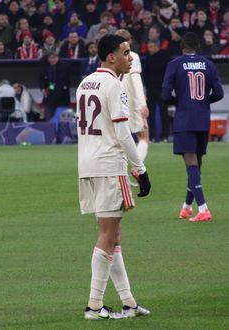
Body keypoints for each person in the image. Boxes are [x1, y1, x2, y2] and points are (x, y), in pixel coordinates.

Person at [76, 34, 151, 320]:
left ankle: (128, 302)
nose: (130, 57)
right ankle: (94, 305)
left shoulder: (85, 83)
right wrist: (140, 169)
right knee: (108, 235)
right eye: (126, 52)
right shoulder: (116, 85)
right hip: (109, 166)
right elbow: (122, 133)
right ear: (111, 57)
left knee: (113, 234)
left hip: (87, 165)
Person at [161, 32, 224, 222]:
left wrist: (178, 101)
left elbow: (165, 95)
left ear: (182, 46)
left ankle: (203, 208)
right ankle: (187, 207)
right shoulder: (209, 64)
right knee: (197, 163)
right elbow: (219, 93)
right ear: (199, 47)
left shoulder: (175, 64)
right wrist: (204, 101)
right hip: (203, 119)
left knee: (191, 163)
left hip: (184, 119)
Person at [115, 29, 149, 178]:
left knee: (119, 139)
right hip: (130, 101)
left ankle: (118, 173)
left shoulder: (112, 57)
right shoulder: (132, 56)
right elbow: (135, 80)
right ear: (128, 41)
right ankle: (137, 168)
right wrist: (142, 103)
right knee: (144, 137)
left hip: (115, 99)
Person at [143, 39, 170, 142]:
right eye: (148, 47)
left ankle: (165, 136)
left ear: (157, 46)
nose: (149, 49)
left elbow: (168, 74)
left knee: (164, 113)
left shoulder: (165, 58)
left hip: (162, 90)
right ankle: (152, 137)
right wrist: (147, 87)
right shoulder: (147, 58)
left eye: (151, 47)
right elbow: (145, 74)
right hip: (151, 90)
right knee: (150, 115)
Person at [39, 51, 70, 120]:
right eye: (50, 58)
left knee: (62, 118)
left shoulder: (64, 67)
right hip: (49, 96)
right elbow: (41, 80)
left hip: (62, 97)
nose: (52, 60)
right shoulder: (45, 68)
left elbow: (64, 81)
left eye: (54, 57)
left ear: (58, 58)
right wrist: (43, 89)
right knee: (48, 116)